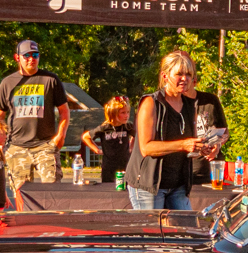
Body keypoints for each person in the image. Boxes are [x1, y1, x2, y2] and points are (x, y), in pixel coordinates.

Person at [125, 51, 206, 210]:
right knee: (153, 232)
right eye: (179, 74)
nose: (185, 79)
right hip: (148, 185)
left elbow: (190, 144)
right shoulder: (151, 103)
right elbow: (146, 147)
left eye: (189, 74)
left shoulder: (190, 105)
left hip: (178, 184)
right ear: (165, 76)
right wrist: (183, 145)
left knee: (185, 231)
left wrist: (203, 147)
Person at [0, 39, 69, 193]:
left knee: (53, 192)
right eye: (26, 55)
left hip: (45, 146)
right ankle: (24, 219)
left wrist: (60, 136)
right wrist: (0, 143)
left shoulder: (51, 80)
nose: (31, 59)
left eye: (35, 55)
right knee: (22, 195)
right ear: (17, 57)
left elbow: (64, 111)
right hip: (17, 146)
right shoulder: (8, 83)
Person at [182, 59, 229, 185]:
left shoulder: (210, 100)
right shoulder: (175, 104)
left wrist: (218, 145)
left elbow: (225, 132)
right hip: (184, 172)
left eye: (188, 80)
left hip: (211, 170)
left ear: (195, 81)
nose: (184, 84)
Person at [82, 96, 134, 186]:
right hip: (108, 167)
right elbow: (86, 137)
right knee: (108, 190)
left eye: (128, 112)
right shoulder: (105, 128)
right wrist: (97, 150)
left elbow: (138, 136)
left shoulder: (128, 127)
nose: (127, 115)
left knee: (125, 190)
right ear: (113, 113)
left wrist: (131, 148)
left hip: (125, 165)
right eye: (123, 113)